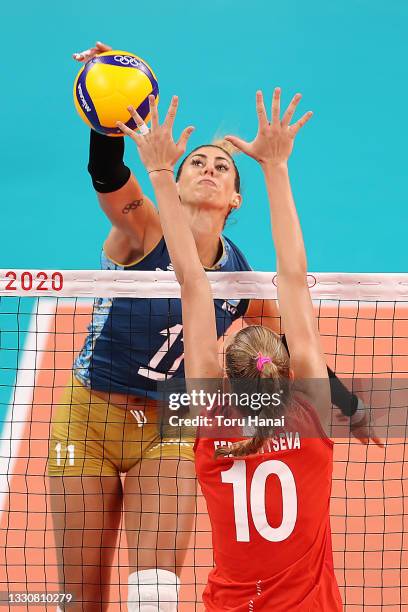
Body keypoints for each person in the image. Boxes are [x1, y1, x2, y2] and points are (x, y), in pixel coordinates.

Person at [48, 41, 379, 611]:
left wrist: (347, 403)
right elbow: (106, 171)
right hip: (91, 418)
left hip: (172, 422)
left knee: (153, 596)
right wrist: (111, 106)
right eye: (195, 161)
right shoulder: (142, 229)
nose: (207, 167)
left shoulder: (241, 279)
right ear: (173, 187)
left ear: (235, 198)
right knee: (81, 599)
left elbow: (291, 352)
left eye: (221, 165)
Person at [122, 87, 346, 610]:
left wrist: (159, 174)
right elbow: (293, 277)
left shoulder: (212, 423)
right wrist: (276, 166)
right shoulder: (309, 419)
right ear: (288, 370)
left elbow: (193, 282)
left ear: (225, 373)